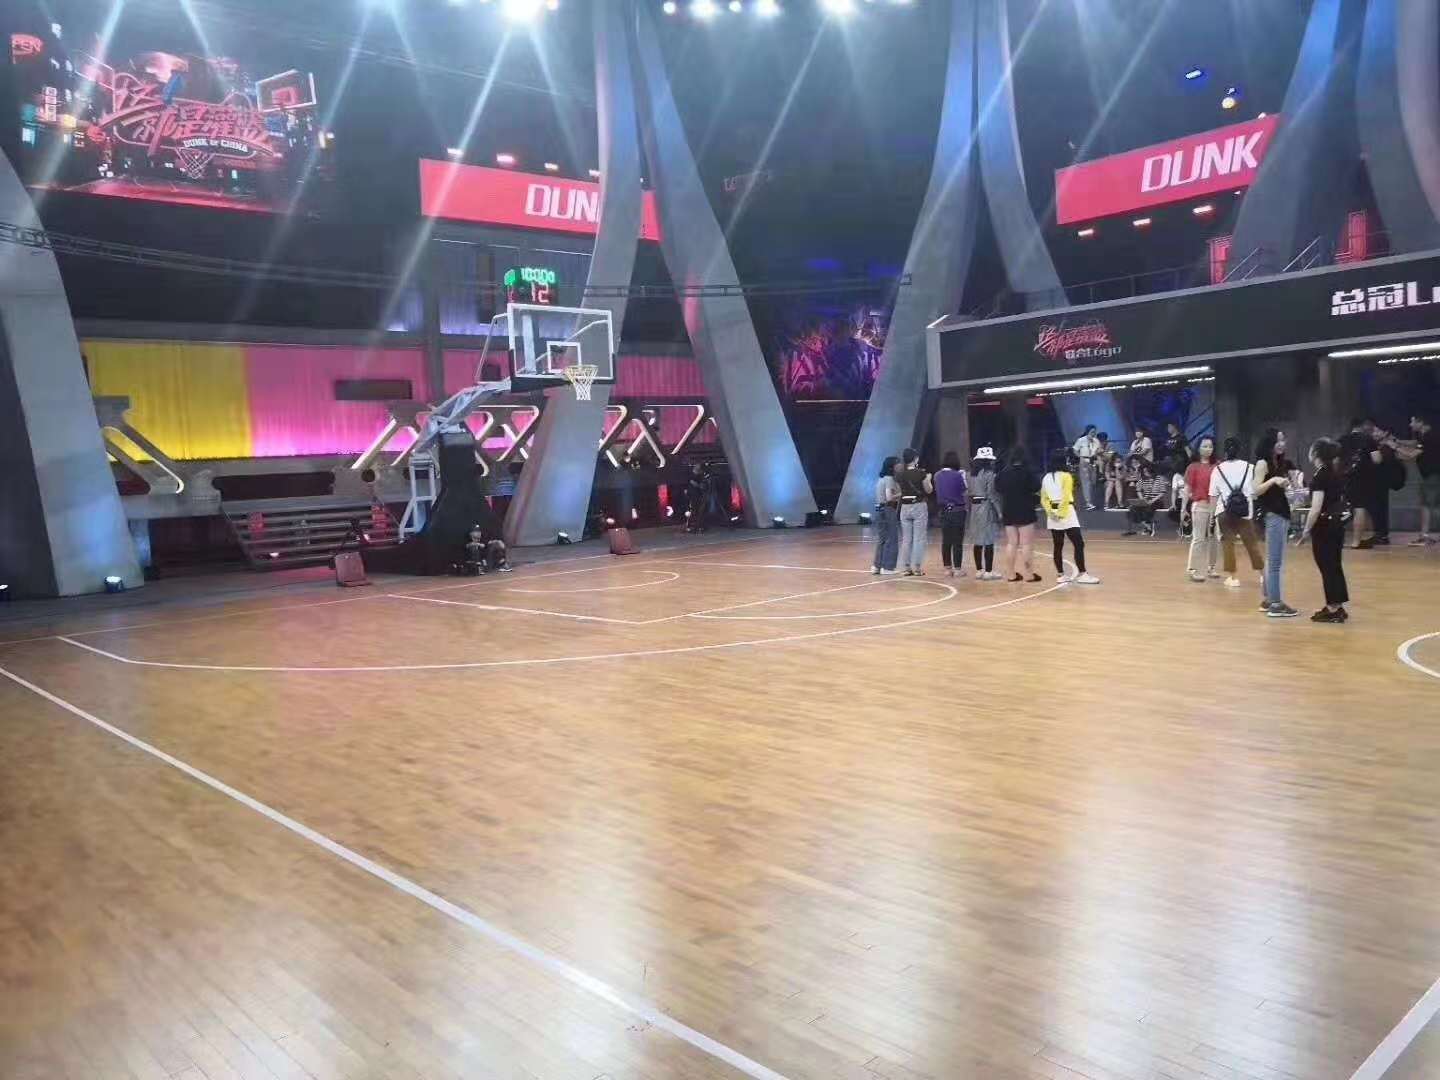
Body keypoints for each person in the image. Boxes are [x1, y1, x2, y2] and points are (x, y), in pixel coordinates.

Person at [1298, 437, 1350, 623]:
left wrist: (1306, 530)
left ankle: (1333, 608)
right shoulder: (1335, 473)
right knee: (1335, 565)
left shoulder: (1320, 476)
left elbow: (1316, 508)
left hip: (1324, 528)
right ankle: (1338, 605)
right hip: (1337, 526)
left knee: (1327, 567)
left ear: (1316, 454)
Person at [1210, 436, 1265, 590]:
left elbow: (1213, 495)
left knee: (1228, 544)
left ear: (1225, 451)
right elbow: (1255, 491)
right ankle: (1262, 575)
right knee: (1252, 544)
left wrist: (1212, 517)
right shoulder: (1250, 467)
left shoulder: (1217, 469)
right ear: (1240, 450)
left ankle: (1233, 578)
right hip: (1245, 512)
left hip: (1224, 511)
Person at [1252, 429, 1298, 618]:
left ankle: (1269, 599)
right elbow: (1255, 490)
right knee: (1275, 562)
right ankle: (1276, 604)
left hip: (1281, 513)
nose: (1282, 443)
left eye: (1283, 440)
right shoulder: (1263, 463)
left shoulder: (1278, 463)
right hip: (1273, 515)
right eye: (1278, 440)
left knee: (1274, 560)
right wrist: (1273, 480)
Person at [1041, 449, 1100, 585]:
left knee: (1058, 545)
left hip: (1053, 513)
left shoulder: (1046, 477)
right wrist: (1061, 514)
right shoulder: (1067, 476)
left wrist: (1051, 513)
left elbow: (1044, 498)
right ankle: (1082, 574)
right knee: (1078, 543)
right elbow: (1066, 496)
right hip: (1066, 512)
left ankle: (1060, 575)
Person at [995, 445, 1042, 583]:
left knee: (1011, 543)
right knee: (1026, 544)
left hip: (1008, 510)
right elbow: (1036, 487)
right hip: (1025, 510)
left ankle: (1011, 574)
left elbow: (998, 488)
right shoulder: (1028, 472)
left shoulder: (1003, 473)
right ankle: (1029, 575)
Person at [1182, 435, 1220, 582]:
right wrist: (1183, 509)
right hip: (1200, 506)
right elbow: (1187, 489)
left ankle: (1211, 567)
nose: (1208, 449)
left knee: (1215, 538)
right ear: (1198, 448)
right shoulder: (1193, 467)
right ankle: (1192, 569)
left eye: (1210, 446)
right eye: (1204, 446)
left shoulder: (1218, 466)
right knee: (1198, 538)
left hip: (1216, 507)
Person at [1340, 418, 1382, 549]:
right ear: (1362, 426)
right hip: (1362, 479)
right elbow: (1377, 459)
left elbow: (1335, 460)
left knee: (1342, 508)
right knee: (1359, 508)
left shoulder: (1342, 440)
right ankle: (1356, 542)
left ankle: (1337, 539)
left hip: (1344, 478)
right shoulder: (1368, 439)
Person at [1398, 415, 1439, 544]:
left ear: (1420, 422)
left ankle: (1424, 536)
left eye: (1412, 422)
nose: (1410, 425)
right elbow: (1413, 444)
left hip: (1432, 476)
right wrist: (1396, 441)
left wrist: (1394, 447)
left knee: (1426, 504)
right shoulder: (1426, 435)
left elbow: (1411, 454)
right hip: (1432, 475)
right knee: (1434, 504)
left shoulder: (1429, 437)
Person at [966, 447, 1002, 579]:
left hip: (974, 508)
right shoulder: (989, 474)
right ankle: (988, 571)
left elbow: (968, 492)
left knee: (977, 540)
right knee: (988, 539)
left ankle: (979, 570)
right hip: (986, 507)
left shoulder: (970, 474)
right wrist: (999, 511)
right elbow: (991, 494)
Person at [896, 448, 933, 576]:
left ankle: (906, 567)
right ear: (915, 459)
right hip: (918, 505)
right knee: (919, 538)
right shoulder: (921, 473)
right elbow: (928, 490)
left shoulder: (900, 474)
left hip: (904, 506)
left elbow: (900, 491)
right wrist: (928, 479)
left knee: (906, 539)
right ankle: (917, 567)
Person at [934, 451, 968, 577]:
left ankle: (947, 568)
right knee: (957, 541)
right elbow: (964, 490)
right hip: (957, 510)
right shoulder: (958, 475)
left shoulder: (937, 475)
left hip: (943, 511)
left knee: (946, 540)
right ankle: (958, 569)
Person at [872, 456, 902, 575]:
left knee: (882, 539)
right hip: (888, 509)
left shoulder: (881, 479)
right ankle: (888, 567)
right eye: (898, 463)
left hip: (880, 509)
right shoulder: (889, 479)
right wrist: (901, 493)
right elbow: (889, 497)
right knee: (892, 538)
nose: (900, 465)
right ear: (892, 466)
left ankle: (877, 566)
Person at [1122, 459, 1167, 536]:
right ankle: (1148, 527)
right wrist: (1142, 499)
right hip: (1145, 500)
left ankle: (1148, 527)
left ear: (1151, 471)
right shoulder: (1143, 479)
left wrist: (1152, 500)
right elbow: (1138, 490)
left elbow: (1162, 492)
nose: (1145, 473)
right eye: (1144, 472)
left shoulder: (1159, 478)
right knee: (1132, 509)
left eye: (1146, 471)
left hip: (1157, 501)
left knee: (1148, 509)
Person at [1071, 424, 1101, 510]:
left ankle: (1091, 500)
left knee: (1093, 482)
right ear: (1088, 432)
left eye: (1094, 432)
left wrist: (1098, 452)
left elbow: (1099, 449)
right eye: (1092, 432)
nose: (1093, 433)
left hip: (1093, 461)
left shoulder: (1096, 441)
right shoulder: (1081, 440)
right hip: (1084, 461)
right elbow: (1075, 450)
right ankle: (1088, 502)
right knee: (1086, 482)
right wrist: (1080, 457)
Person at [1102, 444, 1125, 510]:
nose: (1118, 463)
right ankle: (1106, 503)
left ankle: (1120, 502)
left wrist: (1117, 469)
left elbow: (1121, 477)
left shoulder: (1123, 467)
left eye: (1119, 461)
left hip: (1121, 481)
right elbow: (1108, 478)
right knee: (1111, 483)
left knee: (1117, 482)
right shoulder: (1108, 465)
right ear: (1113, 461)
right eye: (1116, 461)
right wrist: (1114, 479)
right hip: (1110, 481)